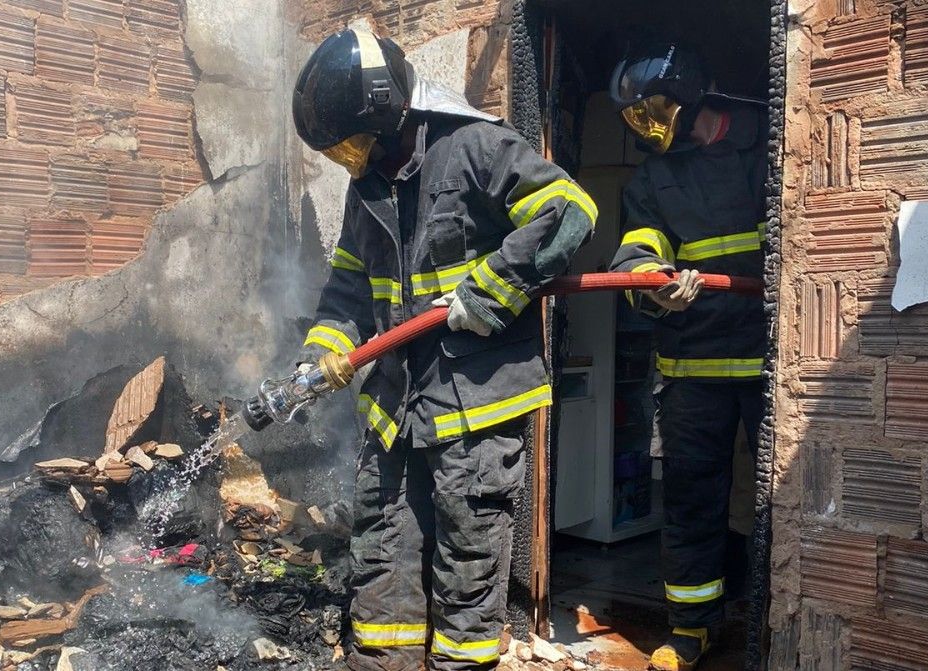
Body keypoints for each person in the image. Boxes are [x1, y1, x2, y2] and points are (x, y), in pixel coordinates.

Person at [292, 28, 596, 671]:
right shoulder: (368, 184)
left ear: (384, 110)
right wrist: (319, 355)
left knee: (467, 562)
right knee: (382, 553)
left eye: (351, 142)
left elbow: (569, 211)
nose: (350, 160)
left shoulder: (478, 147)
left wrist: (489, 289)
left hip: (472, 407)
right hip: (395, 407)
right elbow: (348, 286)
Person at [607, 41, 767, 671]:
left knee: (774, 499)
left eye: (651, 111)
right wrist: (653, 285)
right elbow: (635, 254)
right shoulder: (652, 179)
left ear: (689, 93)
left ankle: (769, 620)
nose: (647, 128)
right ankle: (691, 628)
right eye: (635, 118)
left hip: (765, 365)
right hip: (691, 367)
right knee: (690, 501)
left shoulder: (768, 150)